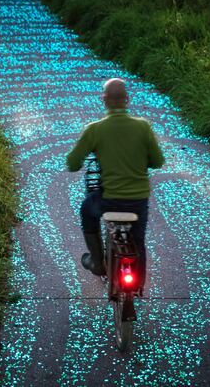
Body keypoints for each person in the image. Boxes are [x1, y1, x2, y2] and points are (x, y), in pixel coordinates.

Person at [66, 78, 164, 290]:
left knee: (86, 210)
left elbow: (72, 163)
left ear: (104, 100)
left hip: (108, 200)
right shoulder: (143, 127)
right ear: (127, 99)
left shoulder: (95, 130)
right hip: (138, 201)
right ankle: (138, 283)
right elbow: (158, 162)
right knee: (138, 241)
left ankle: (98, 263)